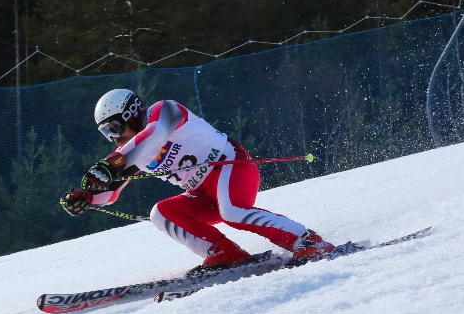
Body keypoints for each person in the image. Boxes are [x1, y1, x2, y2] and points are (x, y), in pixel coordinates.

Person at [60, 88, 335, 269]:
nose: (115, 138)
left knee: (233, 211)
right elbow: (112, 193)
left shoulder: (165, 110)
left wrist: (111, 164)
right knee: (161, 212)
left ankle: (309, 241)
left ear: (132, 113)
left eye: (115, 128)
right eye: (107, 134)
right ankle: (225, 254)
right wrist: (87, 199)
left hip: (231, 166)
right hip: (204, 194)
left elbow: (154, 136)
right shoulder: (131, 154)